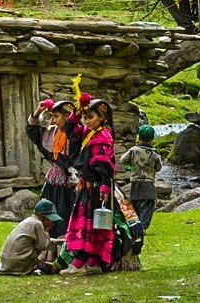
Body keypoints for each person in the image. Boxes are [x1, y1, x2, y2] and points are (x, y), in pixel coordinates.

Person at [60, 94, 116, 276]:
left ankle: (80, 264)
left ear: (102, 118)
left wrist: (105, 187)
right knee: (89, 224)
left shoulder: (103, 136)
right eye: (85, 118)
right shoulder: (87, 133)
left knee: (90, 225)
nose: (87, 121)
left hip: (97, 186)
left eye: (91, 117)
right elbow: (69, 130)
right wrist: (76, 113)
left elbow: (105, 166)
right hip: (87, 185)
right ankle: (92, 263)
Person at [26, 99, 82, 238]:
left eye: (57, 117)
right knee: (51, 214)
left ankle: (65, 245)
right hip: (54, 182)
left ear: (68, 116)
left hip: (71, 182)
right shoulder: (52, 133)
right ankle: (49, 245)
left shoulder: (77, 134)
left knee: (65, 213)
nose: (55, 121)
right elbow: (32, 131)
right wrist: (39, 111)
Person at [0, 199, 64, 276]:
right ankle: (36, 267)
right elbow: (43, 245)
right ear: (43, 217)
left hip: (4, 265)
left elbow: (44, 241)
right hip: (18, 265)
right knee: (40, 251)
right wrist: (47, 232)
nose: (53, 223)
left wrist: (59, 241)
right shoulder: (37, 224)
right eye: (51, 220)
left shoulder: (28, 221)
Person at [119, 125, 162, 230]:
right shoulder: (155, 154)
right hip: (148, 183)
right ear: (152, 139)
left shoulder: (133, 150)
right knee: (148, 206)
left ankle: (135, 227)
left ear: (139, 137)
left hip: (135, 182)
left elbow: (122, 160)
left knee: (135, 205)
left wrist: (131, 166)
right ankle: (142, 228)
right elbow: (158, 168)